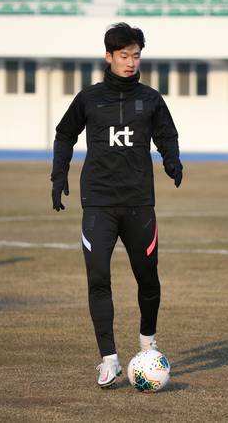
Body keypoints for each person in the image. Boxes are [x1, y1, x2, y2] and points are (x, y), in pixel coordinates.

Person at [50, 23, 182, 388]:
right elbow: (64, 134)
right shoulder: (89, 99)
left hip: (139, 203)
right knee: (98, 278)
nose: (130, 62)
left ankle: (148, 345)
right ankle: (108, 360)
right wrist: (58, 176)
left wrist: (172, 160)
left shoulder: (151, 99)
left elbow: (167, 134)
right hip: (99, 204)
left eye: (136, 56)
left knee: (148, 278)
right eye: (124, 55)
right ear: (108, 56)